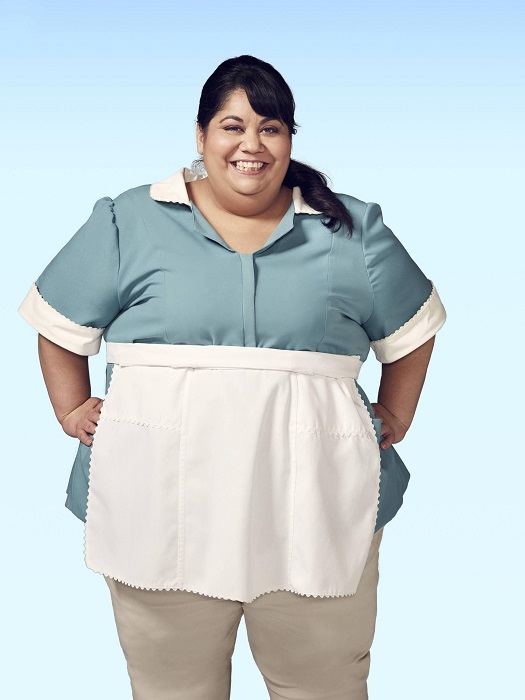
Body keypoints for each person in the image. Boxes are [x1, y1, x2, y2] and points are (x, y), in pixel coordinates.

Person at [19, 55, 446, 699]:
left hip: (316, 501)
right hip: (156, 499)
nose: (252, 145)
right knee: (172, 688)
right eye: (232, 126)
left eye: (270, 128)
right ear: (200, 135)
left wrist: (397, 414)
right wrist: (71, 407)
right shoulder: (128, 220)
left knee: (322, 685)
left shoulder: (350, 228)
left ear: (290, 139)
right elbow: (57, 320)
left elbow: (413, 328)